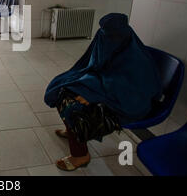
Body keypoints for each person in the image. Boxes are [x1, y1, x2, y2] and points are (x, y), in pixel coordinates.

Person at [44, 13, 161, 171]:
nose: (106, 39)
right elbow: (95, 67)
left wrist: (94, 96)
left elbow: (132, 93)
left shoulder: (137, 60)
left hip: (127, 105)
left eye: (111, 36)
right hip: (108, 90)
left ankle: (80, 155)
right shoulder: (107, 40)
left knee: (74, 108)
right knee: (63, 88)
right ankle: (72, 132)